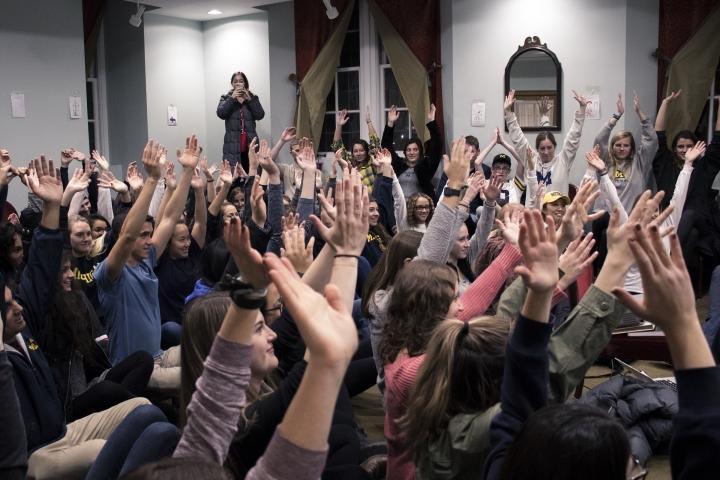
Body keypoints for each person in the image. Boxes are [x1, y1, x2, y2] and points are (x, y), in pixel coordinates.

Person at [94, 136, 201, 390]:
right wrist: (152, 179)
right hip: (133, 369)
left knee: (210, 353)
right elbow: (128, 235)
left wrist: (187, 171)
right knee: (200, 378)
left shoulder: (147, 259)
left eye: (149, 234)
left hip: (159, 356)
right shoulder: (111, 274)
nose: (149, 240)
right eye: (143, 235)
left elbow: (171, 217)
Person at [504, 89, 590, 195]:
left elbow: (573, 138)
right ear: (537, 149)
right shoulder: (531, 160)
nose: (546, 152)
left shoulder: (563, 161)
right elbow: (518, 139)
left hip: (558, 206)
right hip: (534, 206)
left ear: (555, 147)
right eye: (542, 148)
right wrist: (508, 113)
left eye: (549, 147)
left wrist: (582, 109)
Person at [593, 92, 658, 212]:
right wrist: (617, 116)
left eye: (626, 145)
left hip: (631, 216)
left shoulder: (640, 163)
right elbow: (599, 139)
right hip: (605, 216)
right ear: (612, 147)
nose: (622, 148)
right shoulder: (604, 161)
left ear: (631, 147)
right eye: (618, 145)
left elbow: (651, 140)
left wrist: (639, 113)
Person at [378, 104, 443, 198]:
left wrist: (431, 122)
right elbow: (386, 146)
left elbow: (436, 147)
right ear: (405, 152)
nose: (411, 153)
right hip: (399, 206)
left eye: (415, 150)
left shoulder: (426, 167)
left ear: (420, 152)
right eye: (409, 150)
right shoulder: (398, 165)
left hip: (420, 206)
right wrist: (390, 123)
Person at [217, 71, 265, 172]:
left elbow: (260, 115)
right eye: (235, 81)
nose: (238, 83)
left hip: (250, 145)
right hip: (232, 147)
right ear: (232, 84)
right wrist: (232, 98)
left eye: (241, 81)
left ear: (245, 83)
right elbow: (221, 114)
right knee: (234, 177)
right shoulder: (226, 98)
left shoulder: (252, 97)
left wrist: (249, 99)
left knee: (252, 175)